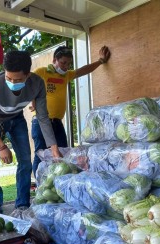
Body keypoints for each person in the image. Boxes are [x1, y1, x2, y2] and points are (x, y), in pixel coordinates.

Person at [0, 50, 61, 211]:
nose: (12, 82)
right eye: (8, 78)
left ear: (28, 75)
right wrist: (1, 146)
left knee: (25, 161)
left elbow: (43, 117)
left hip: (17, 120)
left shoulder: (37, 84)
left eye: (17, 79)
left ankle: (22, 204)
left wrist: (54, 148)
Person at [31, 45, 111, 175]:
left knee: (63, 153)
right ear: (54, 60)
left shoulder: (66, 76)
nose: (65, 66)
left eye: (68, 64)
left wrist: (101, 61)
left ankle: (60, 180)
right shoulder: (42, 72)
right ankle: (39, 185)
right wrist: (33, 101)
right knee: (40, 154)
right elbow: (28, 83)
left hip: (57, 122)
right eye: (63, 62)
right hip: (41, 122)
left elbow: (84, 70)